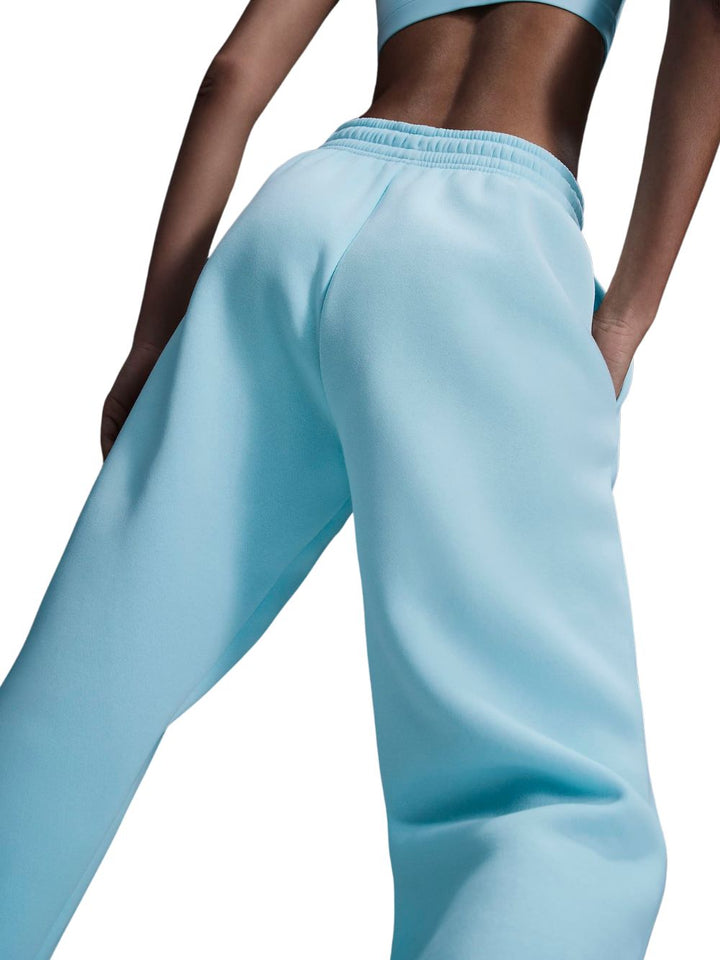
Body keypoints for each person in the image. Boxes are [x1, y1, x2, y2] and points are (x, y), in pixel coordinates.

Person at [1, 0, 718, 957]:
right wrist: (625, 317)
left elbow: (231, 77)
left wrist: (154, 336)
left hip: (298, 219)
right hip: (491, 240)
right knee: (552, 805)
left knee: (79, 692)